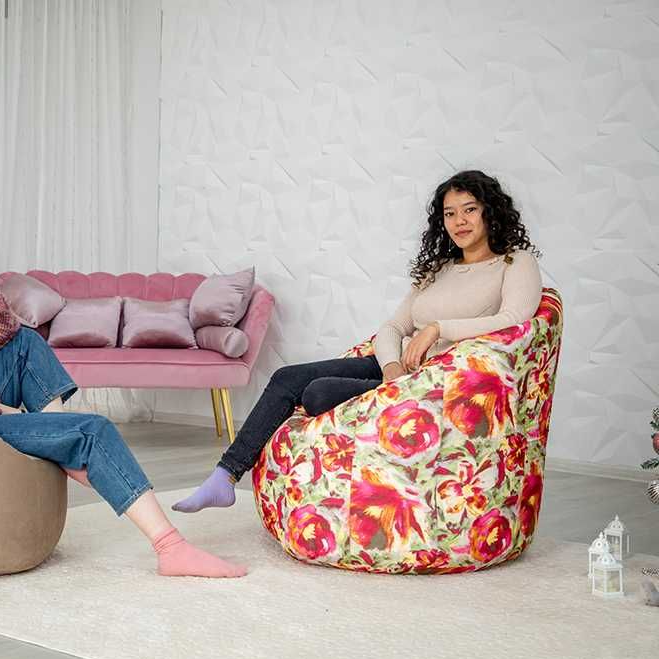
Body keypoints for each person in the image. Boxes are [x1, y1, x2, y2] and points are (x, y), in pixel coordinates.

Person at [0, 223, 246, 578]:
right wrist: (1, 407)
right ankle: (170, 548)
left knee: (23, 341)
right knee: (93, 430)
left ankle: (64, 448)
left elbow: (1, 329)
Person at [173, 169, 543, 513]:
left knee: (317, 394)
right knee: (287, 377)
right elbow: (393, 327)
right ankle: (225, 476)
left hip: (436, 382)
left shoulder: (515, 263)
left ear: (490, 211)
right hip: (397, 369)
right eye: (450, 213)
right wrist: (391, 367)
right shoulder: (439, 269)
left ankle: (227, 477)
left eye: (470, 209)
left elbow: (513, 320)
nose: (459, 221)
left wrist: (437, 328)